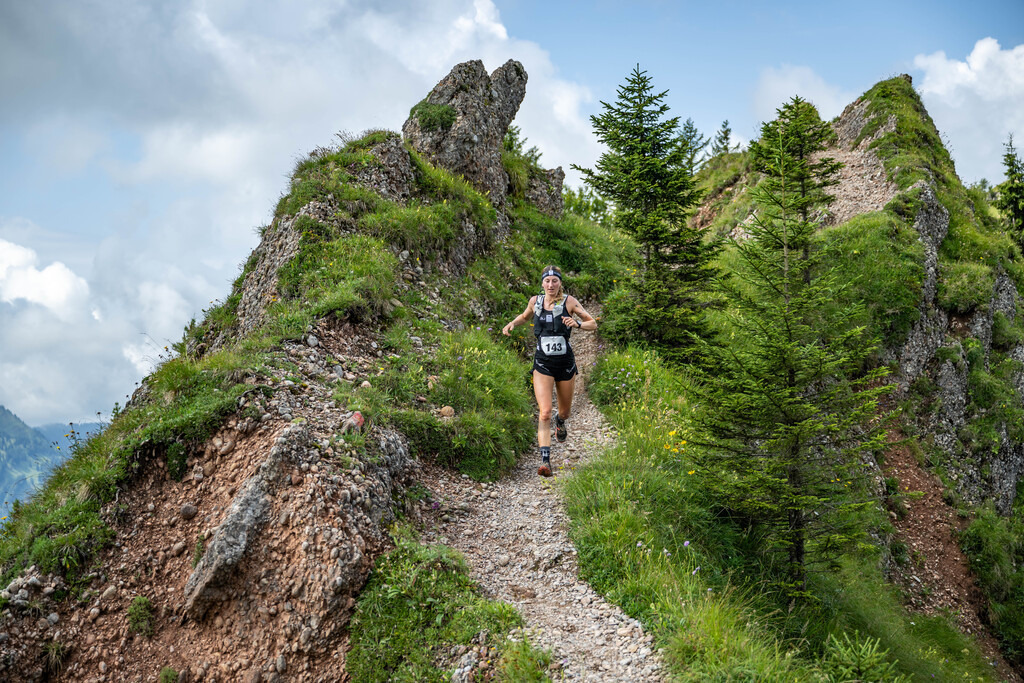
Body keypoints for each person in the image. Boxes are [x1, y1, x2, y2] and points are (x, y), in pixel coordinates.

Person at [502, 265, 597, 476]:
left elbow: (593, 324)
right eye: (547, 281)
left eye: (555, 281)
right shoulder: (535, 301)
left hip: (565, 365)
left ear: (560, 283)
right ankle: (545, 461)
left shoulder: (569, 302)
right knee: (544, 412)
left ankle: (560, 422)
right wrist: (512, 323)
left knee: (563, 411)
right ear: (542, 283)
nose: (551, 285)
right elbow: (526, 316)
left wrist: (578, 324)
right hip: (543, 364)